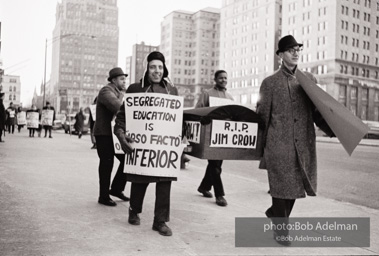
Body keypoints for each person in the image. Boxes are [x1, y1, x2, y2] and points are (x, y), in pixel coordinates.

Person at [256, 35, 334, 245]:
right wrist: (260, 150)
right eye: (290, 50)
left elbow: (318, 111)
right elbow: (262, 118)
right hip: (278, 144)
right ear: (280, 55)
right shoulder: (269, 83)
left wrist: (331, 129)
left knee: (294, 188)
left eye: (298, 48)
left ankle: (275, 213)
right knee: (281, 187)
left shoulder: (308, 79)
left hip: (303, 143)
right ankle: (281, 231)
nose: (296, 52)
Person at [114, 51, 178, 236]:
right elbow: (122, 117)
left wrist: (181, 137)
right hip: (141, 144)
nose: (157, 71)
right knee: (139, 179)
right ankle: (134, 210)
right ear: (147, 69)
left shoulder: (171, 91)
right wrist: (120, 134)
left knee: (165, 181)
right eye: (152, 67)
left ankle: (160, 221)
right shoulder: (135, 89)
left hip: (164, 146)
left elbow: (177, 119)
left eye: (160, 67)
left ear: (164, 68)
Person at [195, 70, 234, 207]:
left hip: (223, 136)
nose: (223, 80)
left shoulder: (229, 97)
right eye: (221, 78)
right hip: (209, 134)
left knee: (215, 165)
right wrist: (204, 118)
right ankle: (220, 195)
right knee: (215, 166)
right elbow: (198, 110)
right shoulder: (207, 94)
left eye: (225, 78)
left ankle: (204, 187)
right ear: (215, 79)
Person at [94, 67, 129, 207]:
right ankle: (103, 196)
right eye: (122, 79)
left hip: (114, 135)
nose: (124, 81)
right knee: (106, 164)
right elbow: (118, 107)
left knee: (127, 159)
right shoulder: (106, 91)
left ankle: (116, 189)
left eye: (125, 78)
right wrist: (123, 95)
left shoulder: (118, 92)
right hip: (104, 134)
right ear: (113, 80)